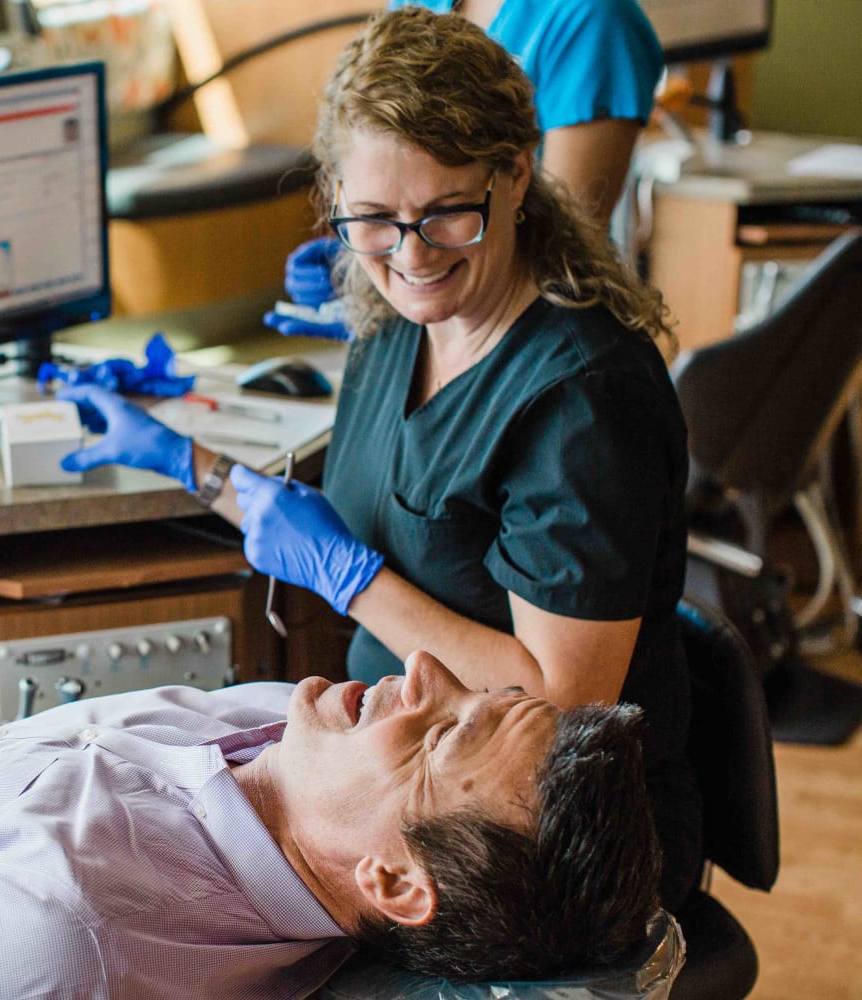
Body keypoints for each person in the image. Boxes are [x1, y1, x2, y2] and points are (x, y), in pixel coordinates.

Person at [57, 7, 699, 913]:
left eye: (445, 215)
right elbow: (323, 524)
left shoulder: (582, 400)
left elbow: (557, 708)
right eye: (373, 220)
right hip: (391, 804)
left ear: (517, 174)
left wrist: (352, 581)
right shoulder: (400, 320)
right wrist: (183, 459)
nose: (410, 257)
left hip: (525, 851)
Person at [0, 653, 662, 998]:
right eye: (471, 694)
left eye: (443, 733)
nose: (422, 668)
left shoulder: (58, 938)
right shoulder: (284, 733)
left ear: (391, 879)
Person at [266, 0, 663, 341]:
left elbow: (568, 227)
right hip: (443, 323)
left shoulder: (592, 20)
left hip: (522, 329)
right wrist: (362, 258)